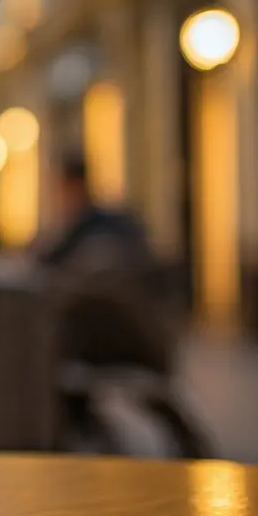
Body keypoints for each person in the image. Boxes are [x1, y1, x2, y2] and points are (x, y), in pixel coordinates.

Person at [35, 151, 207, 457]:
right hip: (143, 337)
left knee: (59, 360)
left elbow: (42, 268)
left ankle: (84, 440)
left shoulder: (82, 229)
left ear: (69, 185)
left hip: (109, 340)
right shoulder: (120, 223)